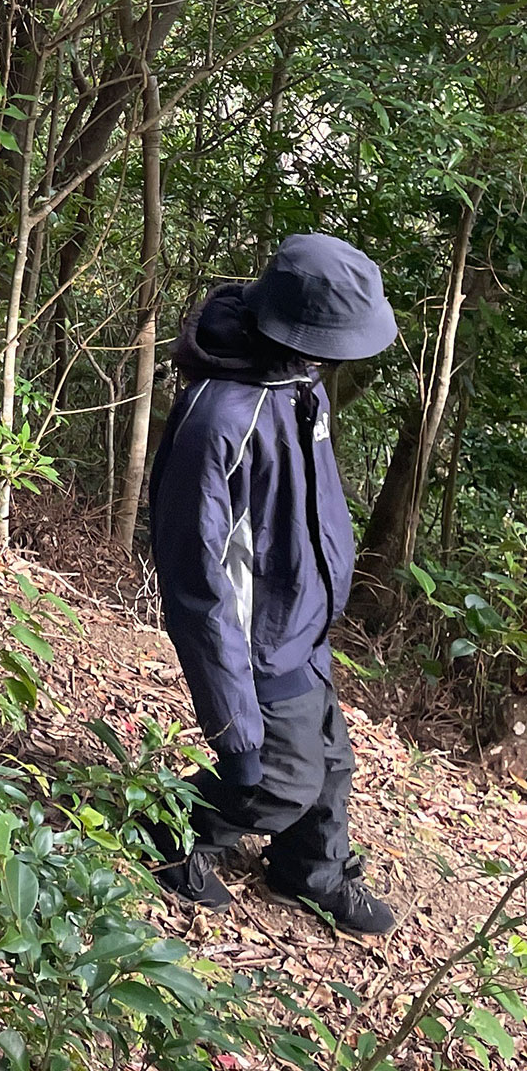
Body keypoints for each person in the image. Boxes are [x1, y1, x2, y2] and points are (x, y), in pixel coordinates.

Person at [147, 232, 398, 935]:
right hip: (255, 643)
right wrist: (234, 724)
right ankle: (165, 830)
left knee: (331, 763)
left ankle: (309, 870)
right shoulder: (219, 418)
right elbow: (196, 585)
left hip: (302, 623)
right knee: (275, 778)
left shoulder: (297, 380)